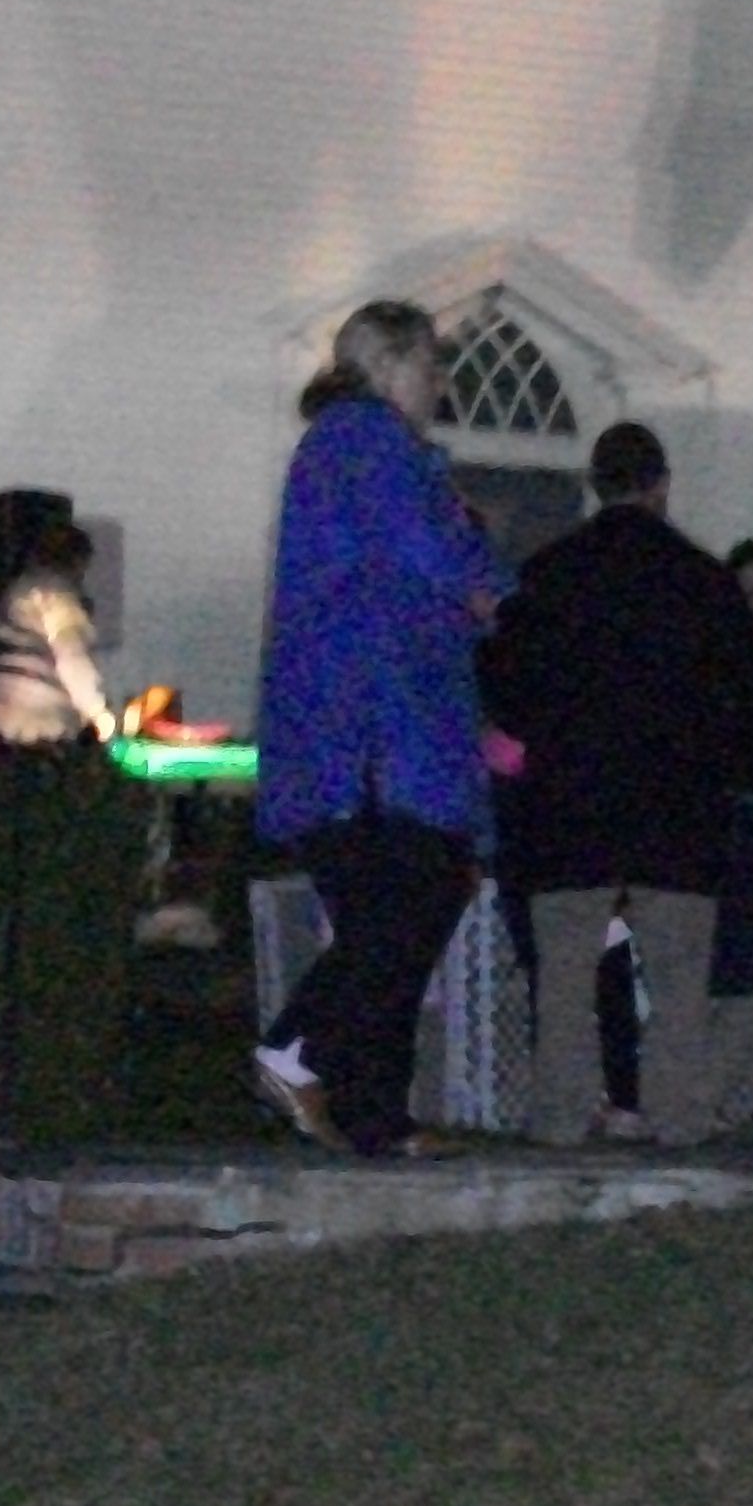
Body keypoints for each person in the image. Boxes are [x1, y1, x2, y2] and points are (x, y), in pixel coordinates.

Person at [251, 303, 510, 1158]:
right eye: (434, 367)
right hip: (375, 734)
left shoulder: (349, 449)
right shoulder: (369, 442)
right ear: (394, 363)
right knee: (413, 900)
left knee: (388, 921)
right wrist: (491, 582)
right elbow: (429, 556)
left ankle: (374, 1116)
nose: (441, 386)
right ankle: (299, 1052)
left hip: (363, 729)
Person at [480, 421, 753, 1148]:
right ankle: (675, 1118)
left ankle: (560, 1118)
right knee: (677, 987)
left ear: (594, 484)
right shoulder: (704, 581)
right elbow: (748, 697)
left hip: (570, 807)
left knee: (567, 982)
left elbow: (505, 686)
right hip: (677, 808)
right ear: (661, 484)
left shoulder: (548, 575)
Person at [0, 518, 116, 746]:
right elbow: (72, 655)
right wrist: (98, 711)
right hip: (37, 716)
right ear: (77, 561)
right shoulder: (60, 597)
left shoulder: (20, 588)